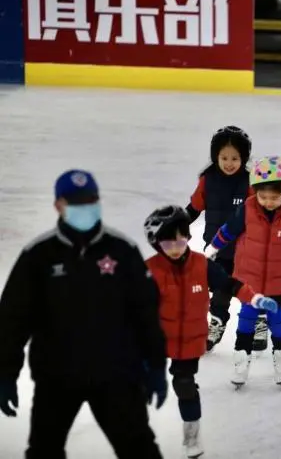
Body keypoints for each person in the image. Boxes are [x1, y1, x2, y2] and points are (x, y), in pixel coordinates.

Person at [0, 169, 167, 459]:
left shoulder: (122, 250)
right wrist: (5, 374)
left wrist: (155, 366)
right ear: (58, 205)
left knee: (139, 449)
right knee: (43, 451)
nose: (84, 207)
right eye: (75, 201)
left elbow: (146, 313)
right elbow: (12, 321)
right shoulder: (38, 255)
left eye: (89, 199)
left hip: (117, 375)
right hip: (56, 377)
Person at [144, 205, 277, 457]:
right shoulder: (150, 270)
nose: (174, 248)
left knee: (184, 385)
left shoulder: (201, 265)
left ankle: (191, 433)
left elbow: (229, 285)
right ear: (156, 244)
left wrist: (255, 299)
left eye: (180, 241)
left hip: (189, 341)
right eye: (167, 243)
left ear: (187, 238)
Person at [204, 156, 281, 388]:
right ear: (255, 191)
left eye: (275, 197)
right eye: (263, 196)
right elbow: (228, 231)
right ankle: (241, 362)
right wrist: (213, 248)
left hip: (277, 283)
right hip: (249, 280)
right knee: (245, 321)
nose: (268, 202)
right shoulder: (246, 210)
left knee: (277, 323)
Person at [185, 126, 268, 353]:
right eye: (224, 158)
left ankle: (260, 323)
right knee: (220, 292)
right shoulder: (208, 180)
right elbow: (194, 207)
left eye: (235, 158)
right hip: (217, 249)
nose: (229, 163)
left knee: (249, 289)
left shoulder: (250, 182)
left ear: (243, 158)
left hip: (245, 250)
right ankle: (217, 324)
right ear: (215, 157)